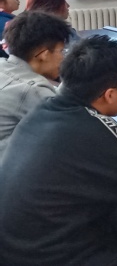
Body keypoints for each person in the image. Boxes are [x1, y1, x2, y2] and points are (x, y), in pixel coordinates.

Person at [0, 35, 117, 266]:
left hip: (21, 244)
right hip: (51, 255)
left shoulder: (48, 111)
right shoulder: (90, 130)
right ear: (110, 94)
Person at [0, 11, 72, 161]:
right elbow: (68, 127)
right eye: (61, 51)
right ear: (44, 54)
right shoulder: (33, 89)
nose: (64, 57)